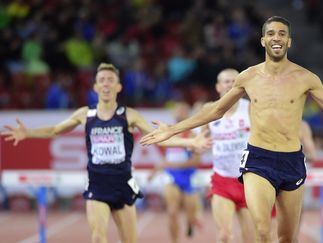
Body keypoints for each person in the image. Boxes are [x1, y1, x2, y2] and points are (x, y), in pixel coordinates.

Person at [140, 16, 323, 243]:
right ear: (263, 41)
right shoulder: (248, 77)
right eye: (270, 34)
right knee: (263, 231)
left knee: (287, 237)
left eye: (282, 34)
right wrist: (173, 130)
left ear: (289, 41)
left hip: (292, 161)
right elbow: (215, 110)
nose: (276, 38)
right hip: (258, 159)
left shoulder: (306, 78)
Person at [1, 63, 211, 243]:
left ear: (118, 86)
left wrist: (192, 141)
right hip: (97, 183)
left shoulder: (129, 115)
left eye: (110, 80)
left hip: (123, 183)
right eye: (101, 80)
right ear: (95, 86)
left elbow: (159, 138)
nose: (106, 83)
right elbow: (56, 130)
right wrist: (28, 132)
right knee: (97, 237)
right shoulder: (85, 113)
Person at [201, 68, 255, 243]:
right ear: (218, 87)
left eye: (235, 81)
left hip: (248, 181)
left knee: (251, 238)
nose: (231, 85)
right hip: (222, 180)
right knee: (224, 236)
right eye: (227, 81)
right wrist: (197, 145)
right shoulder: (209, 109)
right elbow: (200, 141)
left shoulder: (251, 107)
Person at [148, 102, 203, 243]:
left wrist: (171, 164)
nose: (179, 113)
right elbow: (167, 157)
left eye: (183, 111)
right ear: (173, 114)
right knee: (172, 211)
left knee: (191, 215)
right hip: (171, 176)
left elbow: (196, 161)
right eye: (177, 111)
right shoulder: (167, 133)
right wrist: (155, 170)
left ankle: (191, 222)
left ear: (188, 115)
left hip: (188, 176)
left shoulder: (192, 135)